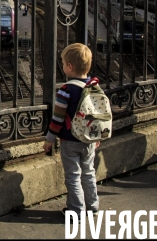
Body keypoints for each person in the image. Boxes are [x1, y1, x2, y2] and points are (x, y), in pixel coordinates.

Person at [43, 43, 100, 218]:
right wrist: (97, 137)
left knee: (73, 176)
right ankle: (93, 206)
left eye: (63, 63)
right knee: (89, 172)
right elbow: (97, 116)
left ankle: (76, 211)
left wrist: (49, 139)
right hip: (89, 140)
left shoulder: (66, 90)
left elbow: (58, 119)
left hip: (70, 140)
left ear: (70, 67)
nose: (62, 66)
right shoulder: (94, 87)